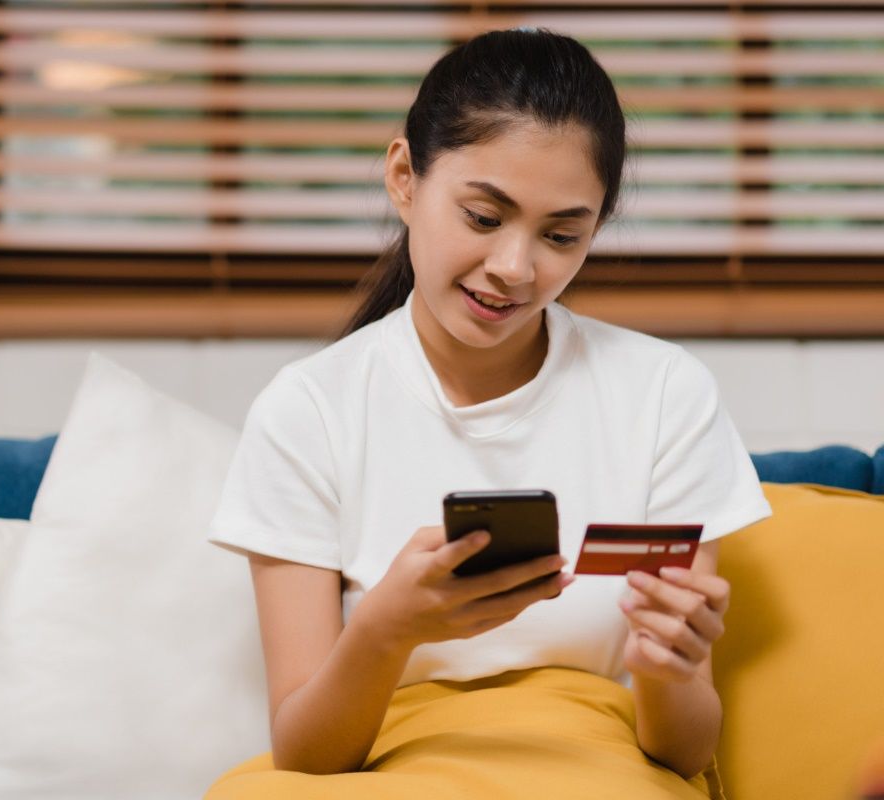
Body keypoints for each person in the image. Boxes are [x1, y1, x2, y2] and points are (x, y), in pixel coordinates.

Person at [205, 28, 770, 800]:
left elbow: (683, 752)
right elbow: (306, 760)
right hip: (386, 774)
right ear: (404, 178)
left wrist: (666, 667)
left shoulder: (665, 393)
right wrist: (385, 630)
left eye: (562, 235)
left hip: (593, 769)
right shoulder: (309, 410)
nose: (515, 269)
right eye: (482, 217)